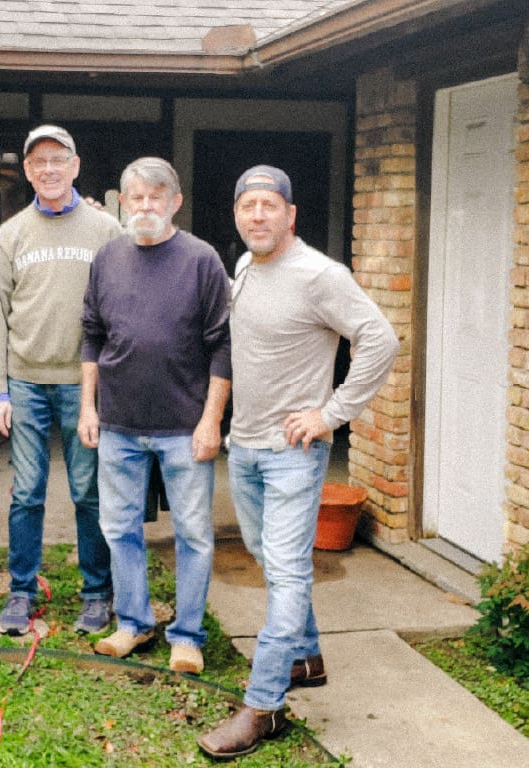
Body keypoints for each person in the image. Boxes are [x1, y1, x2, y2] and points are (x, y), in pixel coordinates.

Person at [197, 165, 398, 759]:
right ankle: (305, 657)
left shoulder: (319, 275)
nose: (257, 215)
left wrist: (332, 414)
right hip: (248, 446)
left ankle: (263, 706)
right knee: (267, 556)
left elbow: (380, 339)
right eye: (247, 205)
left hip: (293, 454)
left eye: (269, 205)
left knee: (284, 573)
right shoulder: (244, 267)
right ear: (237, 214)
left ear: (290, 214)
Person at [78, 157, 230, 672]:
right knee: (119, 527)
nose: (145, 205)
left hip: (184, 425)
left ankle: (187, 634)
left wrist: (211, 420)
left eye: (155, 196)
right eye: (135, 196)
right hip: (118, 423)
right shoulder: (107, 258)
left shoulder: (202, 260)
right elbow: (92, 335)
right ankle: (133, 624)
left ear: (175, 202)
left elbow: (222, 346)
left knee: (192, 532)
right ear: (122, 202)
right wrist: (88, 408)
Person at [0, 124, 123, 636]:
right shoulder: (9, 235)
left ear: (75, 166)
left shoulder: (107, 232)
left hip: (84, 385)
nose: (48, 169)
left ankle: (96, 592)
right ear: (27, 170)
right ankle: (20, 592)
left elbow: (120, 309)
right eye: (38, 161)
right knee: (27, 492)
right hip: (24, 381)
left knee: (88, 490)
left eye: (58, 159)